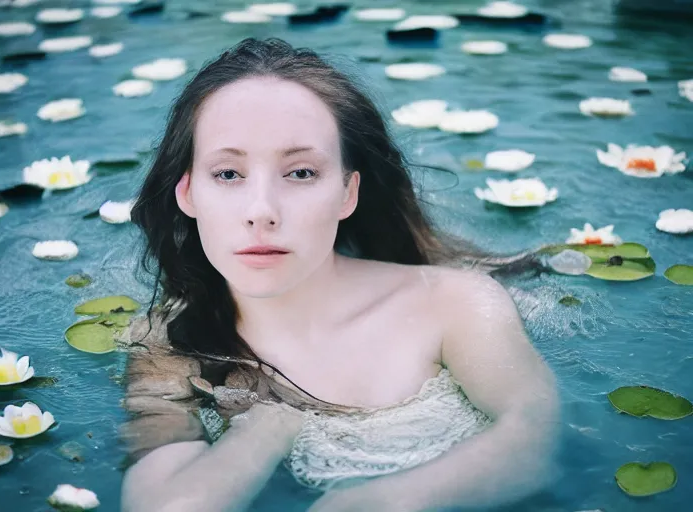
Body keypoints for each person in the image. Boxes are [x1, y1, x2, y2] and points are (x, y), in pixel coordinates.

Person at [119, 38, 560, 512]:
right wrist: (266, 428)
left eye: (301, 172)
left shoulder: (455, 304)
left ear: (348, 192)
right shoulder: (170, 341)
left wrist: (363, 505)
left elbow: (533, 440)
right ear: (187, 193)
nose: (261, 211)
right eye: (228, 174)